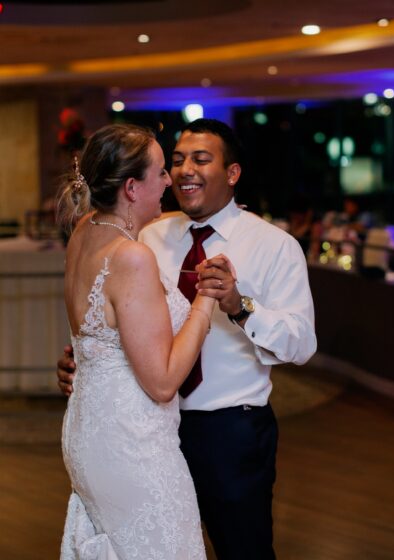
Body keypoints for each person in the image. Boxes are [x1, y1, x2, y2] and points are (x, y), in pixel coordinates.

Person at [58, 118, 317, 559]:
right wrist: (84, 360)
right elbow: (111, 315)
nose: (182, 172)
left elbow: (301, 344)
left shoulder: (275, 246)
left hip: (227, 430)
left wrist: (239, 305)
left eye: (200, 159)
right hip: (144, 430)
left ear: (232, 173)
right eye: (174, 162)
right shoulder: (145, 234)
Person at [57, 123, 215, 559]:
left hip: (89, 433)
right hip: (133, 445)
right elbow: (162, 382)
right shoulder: (131, 256)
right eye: (161, 172)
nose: (170, 180)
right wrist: (205, 302)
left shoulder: (86, 230)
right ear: (130, 187)